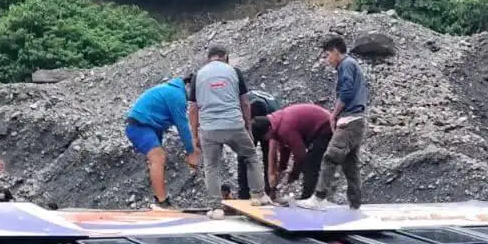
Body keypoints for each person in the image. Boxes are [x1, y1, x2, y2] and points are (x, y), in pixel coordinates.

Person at [187, 45, 263, 204]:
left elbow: (193, 108)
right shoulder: (234, 72)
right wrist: (248, 128)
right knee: (250, 156)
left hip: (209, 130)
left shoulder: (197, 75)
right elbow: (245, 103)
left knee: (212, 167)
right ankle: (258, 197)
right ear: (226, 56)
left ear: (208, 58)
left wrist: (194, 136)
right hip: (234, 124)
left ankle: (216, 206)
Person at [311, 35, 369, 211]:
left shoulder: (346, 65)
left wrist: (333, 114)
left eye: (328, 55)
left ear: (336, 52)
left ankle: (319, 197)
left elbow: (347, 91)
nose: (327, 60)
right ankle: (355, 203)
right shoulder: (351, 64)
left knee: (330, 157)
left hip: (350, 120)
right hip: (357, 120)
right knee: (350, 164)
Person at [126, 77, 200, 209]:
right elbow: (182, 126)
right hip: (139, 126)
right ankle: (161, 202)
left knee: (158, 158)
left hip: (147, 126)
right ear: (189, 86)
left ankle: (159, 199)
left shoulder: (170, 90)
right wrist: (191, 153)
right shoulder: (177, 95)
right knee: (158, 157)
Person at [253, 103, 333, 205]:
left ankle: (309, 199)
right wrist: (281, 169)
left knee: (310, 164)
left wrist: (294, 174)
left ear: (268, 130)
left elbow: (300, 155)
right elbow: (285, 150)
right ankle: (309, 197)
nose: (265, 140)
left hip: (325, 126)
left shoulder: (285, 128)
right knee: (309, 162)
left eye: (264, 137)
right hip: (316, 127)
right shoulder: (276, 123)